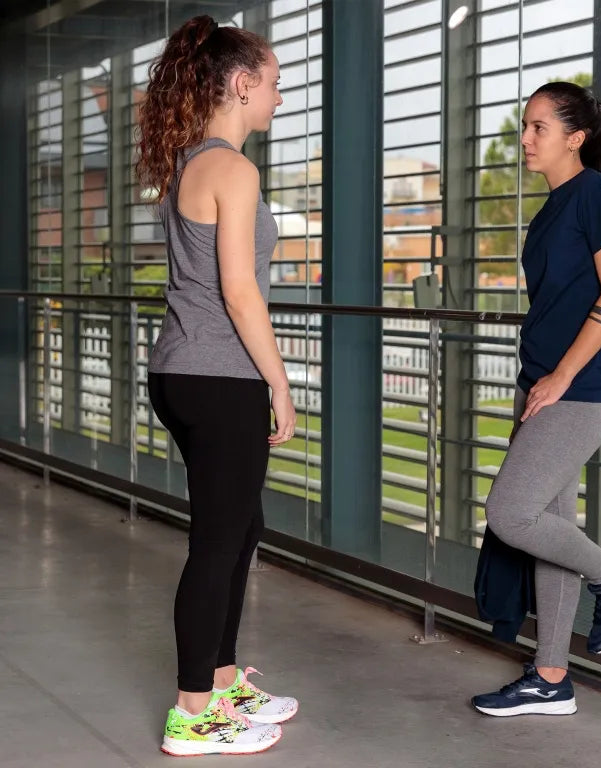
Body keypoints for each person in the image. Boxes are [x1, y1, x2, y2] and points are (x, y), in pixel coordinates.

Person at [136, 15, 299, 756]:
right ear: (240, 84)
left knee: (240, 529)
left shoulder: (185, 162)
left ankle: (225, 677)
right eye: (272, 84)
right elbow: (240, 292)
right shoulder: (234, 169)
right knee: (218, 541)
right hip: (220, 373)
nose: (278, 98)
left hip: (178, 370)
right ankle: (194, 711)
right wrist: (280, 381)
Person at [471, 82, 601, 718]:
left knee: (510, 512)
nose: (525, 139)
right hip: (543, 382)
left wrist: (561, 378)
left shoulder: (599, 196)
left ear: (575, 138)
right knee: (548, 529)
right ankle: (550, 676)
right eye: (525, 126)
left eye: (538, 128)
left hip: (580, 389)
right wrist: (538, 378)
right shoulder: (555, 205)